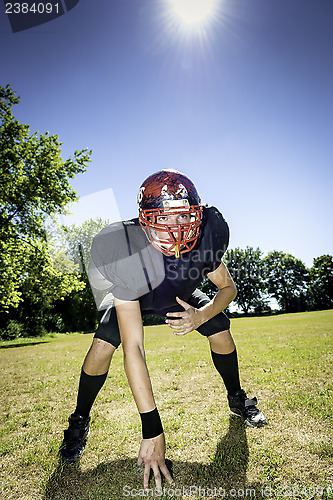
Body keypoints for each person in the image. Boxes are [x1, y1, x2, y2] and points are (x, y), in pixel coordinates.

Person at [59, 169, 267, 490]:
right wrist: (152, 428)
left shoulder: (207, 237)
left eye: (185, 217)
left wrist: (202, 314)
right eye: (165, 219)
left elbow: (228, 288)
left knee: (221, 330)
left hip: (180, 297)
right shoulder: (125, 247)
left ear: (198, 214)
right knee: (102, 347)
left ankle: (236, 397)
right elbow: (135, 348)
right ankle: (79, 419)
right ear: (143, 220)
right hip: (136, 298)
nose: (177, 229)